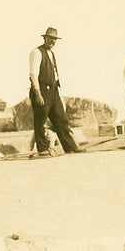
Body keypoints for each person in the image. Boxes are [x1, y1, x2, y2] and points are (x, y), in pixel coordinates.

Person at [28, 27, 82, 156]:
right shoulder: (36, 52)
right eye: (50, 38)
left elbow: (55, 75)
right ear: (45, 38)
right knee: (40, 120)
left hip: (53, 91)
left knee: (61, 119)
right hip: (41, 90)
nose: (52, 41)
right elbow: (33, 74)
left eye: (54, 39)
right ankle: (42, 150)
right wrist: (37, 92)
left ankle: (71, 147)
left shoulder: (51, 54)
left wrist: (58, 94)